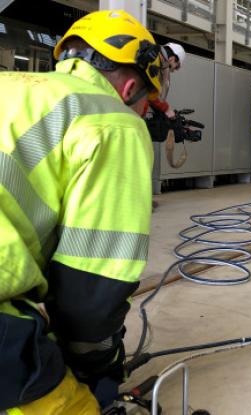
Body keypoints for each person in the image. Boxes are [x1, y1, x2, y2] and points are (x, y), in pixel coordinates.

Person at [0, 10, 163, 413]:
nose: (146, 114)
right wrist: (99, 367)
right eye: (149, 104)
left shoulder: (11, 85)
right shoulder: (113, 121)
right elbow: (90, 289)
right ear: (129, 88)